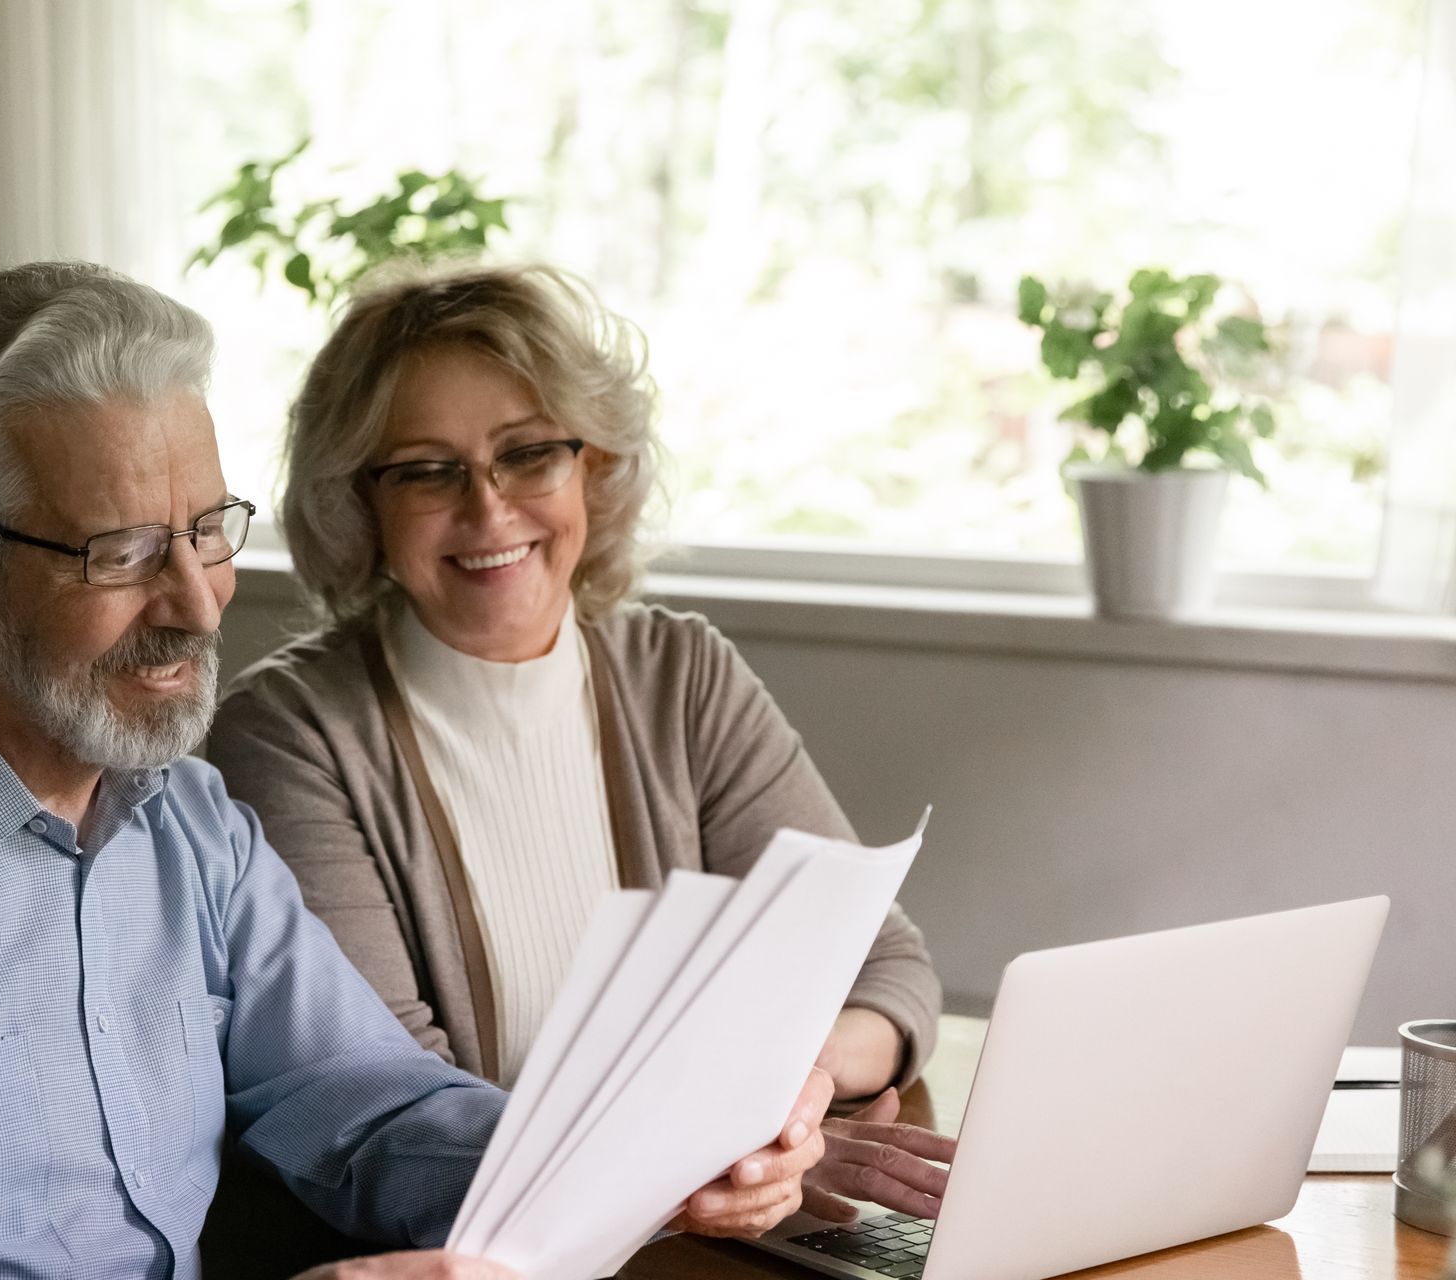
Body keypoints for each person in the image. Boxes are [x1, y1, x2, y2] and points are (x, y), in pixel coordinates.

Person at [0, 262, 825, 1280]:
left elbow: (367, 1104)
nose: (196, 602)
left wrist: (644, 1157)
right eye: (120, 551)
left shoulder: (184, 819)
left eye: (210, 529)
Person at [209, 262, 957, 1227]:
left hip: (712, 1225)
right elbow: (388, 1111)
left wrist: (789, 1102)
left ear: (592, 468)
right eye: (429, 470)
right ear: (361, 503)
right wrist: (685, 1156)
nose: (488, 510)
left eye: (529, 454)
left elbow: (887, 969)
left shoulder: (682, 676)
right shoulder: (291, 735)